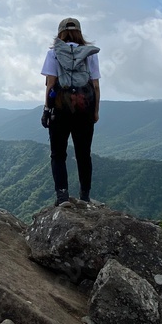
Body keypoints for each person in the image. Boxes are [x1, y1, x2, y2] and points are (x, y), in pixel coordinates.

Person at [41, 17, 100, 206]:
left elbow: (50, 84)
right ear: (79, 32)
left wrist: (46, 109)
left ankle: (62, 196)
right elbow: (96, 85)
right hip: (84, 108)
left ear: (60, 33)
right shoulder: (90, 53)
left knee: (58, 154)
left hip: (60, 108)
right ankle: (84, 196)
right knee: (84, 153)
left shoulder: (54, 53)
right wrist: (95, 111)